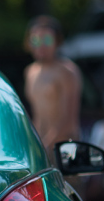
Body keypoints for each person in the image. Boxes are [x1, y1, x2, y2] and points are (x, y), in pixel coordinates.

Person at [22, 15, 82, 154]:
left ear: (57, 42)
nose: (41, 45)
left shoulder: (67, 71)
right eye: (35, 40)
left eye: (47, 40)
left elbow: (68, 120)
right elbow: (38, 117)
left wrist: (45, 146)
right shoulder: (30, 72)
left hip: (65, 149)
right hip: (43, 148)